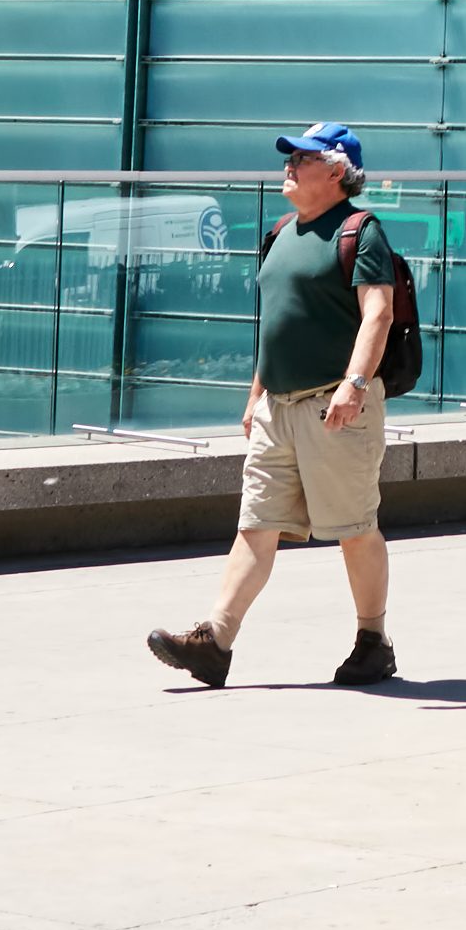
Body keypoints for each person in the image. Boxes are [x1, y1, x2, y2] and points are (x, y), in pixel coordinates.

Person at [146, 124, 412, 690]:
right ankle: (214, 643)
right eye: (289, 157)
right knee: (256, 525)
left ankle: (373, 642)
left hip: (335, 407)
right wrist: (255, 396)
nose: (289, 165)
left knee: (354, 528)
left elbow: (379, 314)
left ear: (336, 171)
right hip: (277, 408)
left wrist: (354, 384)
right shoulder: (280, 233)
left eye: (302, 158)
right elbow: (277, 324)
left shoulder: (361, 232)